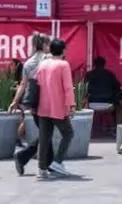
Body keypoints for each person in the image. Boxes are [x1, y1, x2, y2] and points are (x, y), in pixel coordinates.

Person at [33, 38, 76, 178]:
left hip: (43, 106)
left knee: (44, 137)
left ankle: (42, 168)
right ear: (63, 50)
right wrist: (71, 105)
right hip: (57, 106)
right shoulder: (63, 65)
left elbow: (36, 82)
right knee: (68, 133)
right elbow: (68, 87)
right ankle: (57, 161)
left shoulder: (43, 64)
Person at [10, 33, 51, 175]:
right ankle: (24, 157)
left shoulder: (28, 62)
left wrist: (15, 101)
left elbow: (23, 84)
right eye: (48, 43)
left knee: (46, 132)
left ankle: (47, 162)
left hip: (34, 102)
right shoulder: (48, 59)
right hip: (47, 101)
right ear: (45, 44)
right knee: (47, 133)